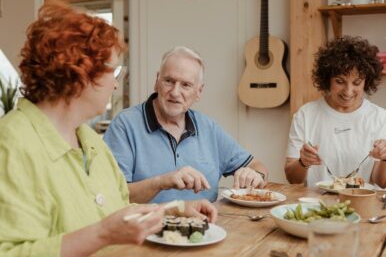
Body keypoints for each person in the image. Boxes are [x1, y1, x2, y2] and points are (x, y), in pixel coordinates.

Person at [0, 1, 217, 257]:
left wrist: (174, 209)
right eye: (112, 72)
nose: (116, 84)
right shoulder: (12, 143)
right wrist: (101, 234)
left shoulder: (88, 138)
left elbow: (118, 208)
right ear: (81, 73)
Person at [104, 46, 268, 204]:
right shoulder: (125, 125)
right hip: (148, 229)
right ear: (157, 81)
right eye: (169, 81)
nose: (175, 92)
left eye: (186, 85)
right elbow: (113, 196)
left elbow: (258, 166)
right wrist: (162, 181)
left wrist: (255, 174)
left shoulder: (208, 128)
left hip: (208, 229)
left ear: (199, 91)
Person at [284, 36, 386, 188]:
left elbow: (382, 183)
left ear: (366, 81)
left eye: (357, 83)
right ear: (327, 79)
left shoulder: (380, 117)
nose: (348, 92)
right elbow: (293, 179)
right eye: (340, 81)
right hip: (317, 205)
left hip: (363, 204)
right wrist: (303, 162)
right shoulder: (306, 115)